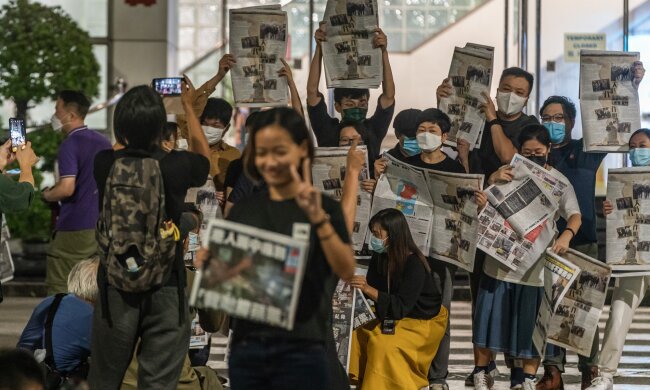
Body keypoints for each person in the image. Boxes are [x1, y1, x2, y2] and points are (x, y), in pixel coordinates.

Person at [203, 107, 355, 389]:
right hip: (251, 346)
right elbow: (226, 286)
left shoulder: (323, 208)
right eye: (262, 151)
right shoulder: (244, 210)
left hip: (304, 345)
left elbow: (345, 268)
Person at [88, 82, 210, 389]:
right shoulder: (178, 164)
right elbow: (203, 158)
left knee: (105, 378)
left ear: (120, 125)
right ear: (160, 125)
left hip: (115, 284)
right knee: (158, 381)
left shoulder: (104, 163)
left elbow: (119, 150)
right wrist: (187, 109)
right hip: (166, 284)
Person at [536, 60, 645, 390]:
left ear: (570, 122)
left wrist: (634, 86)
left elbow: (616, 120)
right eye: (547, 118)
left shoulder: (584, 151)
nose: (553, 123)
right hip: (545, 242)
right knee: (551, 305)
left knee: (585, 305)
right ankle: (552, 371)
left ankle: (589, 369)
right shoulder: (536, 154)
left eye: (559, 118)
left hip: (582, 240)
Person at [437, 67, 539, 387]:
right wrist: (443, 102)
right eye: (506, 88)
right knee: (482, 295)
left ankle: (516, 365)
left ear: (527, 97)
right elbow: (470, 170)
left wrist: (494, 120)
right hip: (480, 222)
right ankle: (483, 365)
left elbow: (510, 159)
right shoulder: (478, 122)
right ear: (496, 88)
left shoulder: (529, 127)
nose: (512, 95)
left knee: (512, 298)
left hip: (516, 226)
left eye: (519, 92)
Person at [472, 124, 581, 390]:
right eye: (527, 152)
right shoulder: (505, 174)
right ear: (518, 152)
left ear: (549, 150)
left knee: (530, 326)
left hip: (534, 265)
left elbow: (575, 215)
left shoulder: (559, 182)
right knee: (489, 320)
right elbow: (482, 205)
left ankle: (527, 379)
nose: (533, 157)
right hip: (499, 261)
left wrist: (566, 235)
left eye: (538, 152)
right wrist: (489, 183)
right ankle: (481, 371)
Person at [347, 208, 447, 390]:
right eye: (373, 233)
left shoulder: (414, 263)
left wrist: (368, 289)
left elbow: (401, 307)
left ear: (392, 234)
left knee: (382, 345)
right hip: (389, 313)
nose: (375, 238)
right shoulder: (380, 255)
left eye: (378, 234)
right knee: (355, 332)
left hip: (420, 319)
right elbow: (374, 289)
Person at [586, 128, 650, 390]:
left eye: (643, 144)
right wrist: (611, 210)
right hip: (634, 258)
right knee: (620, 309)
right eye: (632, 146)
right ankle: (606, 373)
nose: (637, 150)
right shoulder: (622, 180)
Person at [42, 90, 112, 295]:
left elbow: (67, 188)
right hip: (100, 227)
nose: (55, 115)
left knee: (60, 286)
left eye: (57, 109)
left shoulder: (70, 144)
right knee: (90, 287)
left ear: (70, 115)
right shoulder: (103, 142)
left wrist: (47, 195)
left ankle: (59, 326)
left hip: (74, 226)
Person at [307, 23, 395, 149]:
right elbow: (312, 92)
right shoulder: (327, 130)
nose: (357, 108)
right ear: (337, 106)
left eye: (362, 104)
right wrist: (320, 48)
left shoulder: (374, 129)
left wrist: (383, 52)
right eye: (349, 104)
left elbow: (389, 96)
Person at [17, 258, 99, 385]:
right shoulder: (92, 315)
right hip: (60, 383)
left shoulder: (51, 301)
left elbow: (25, 344)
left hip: (26, 378)